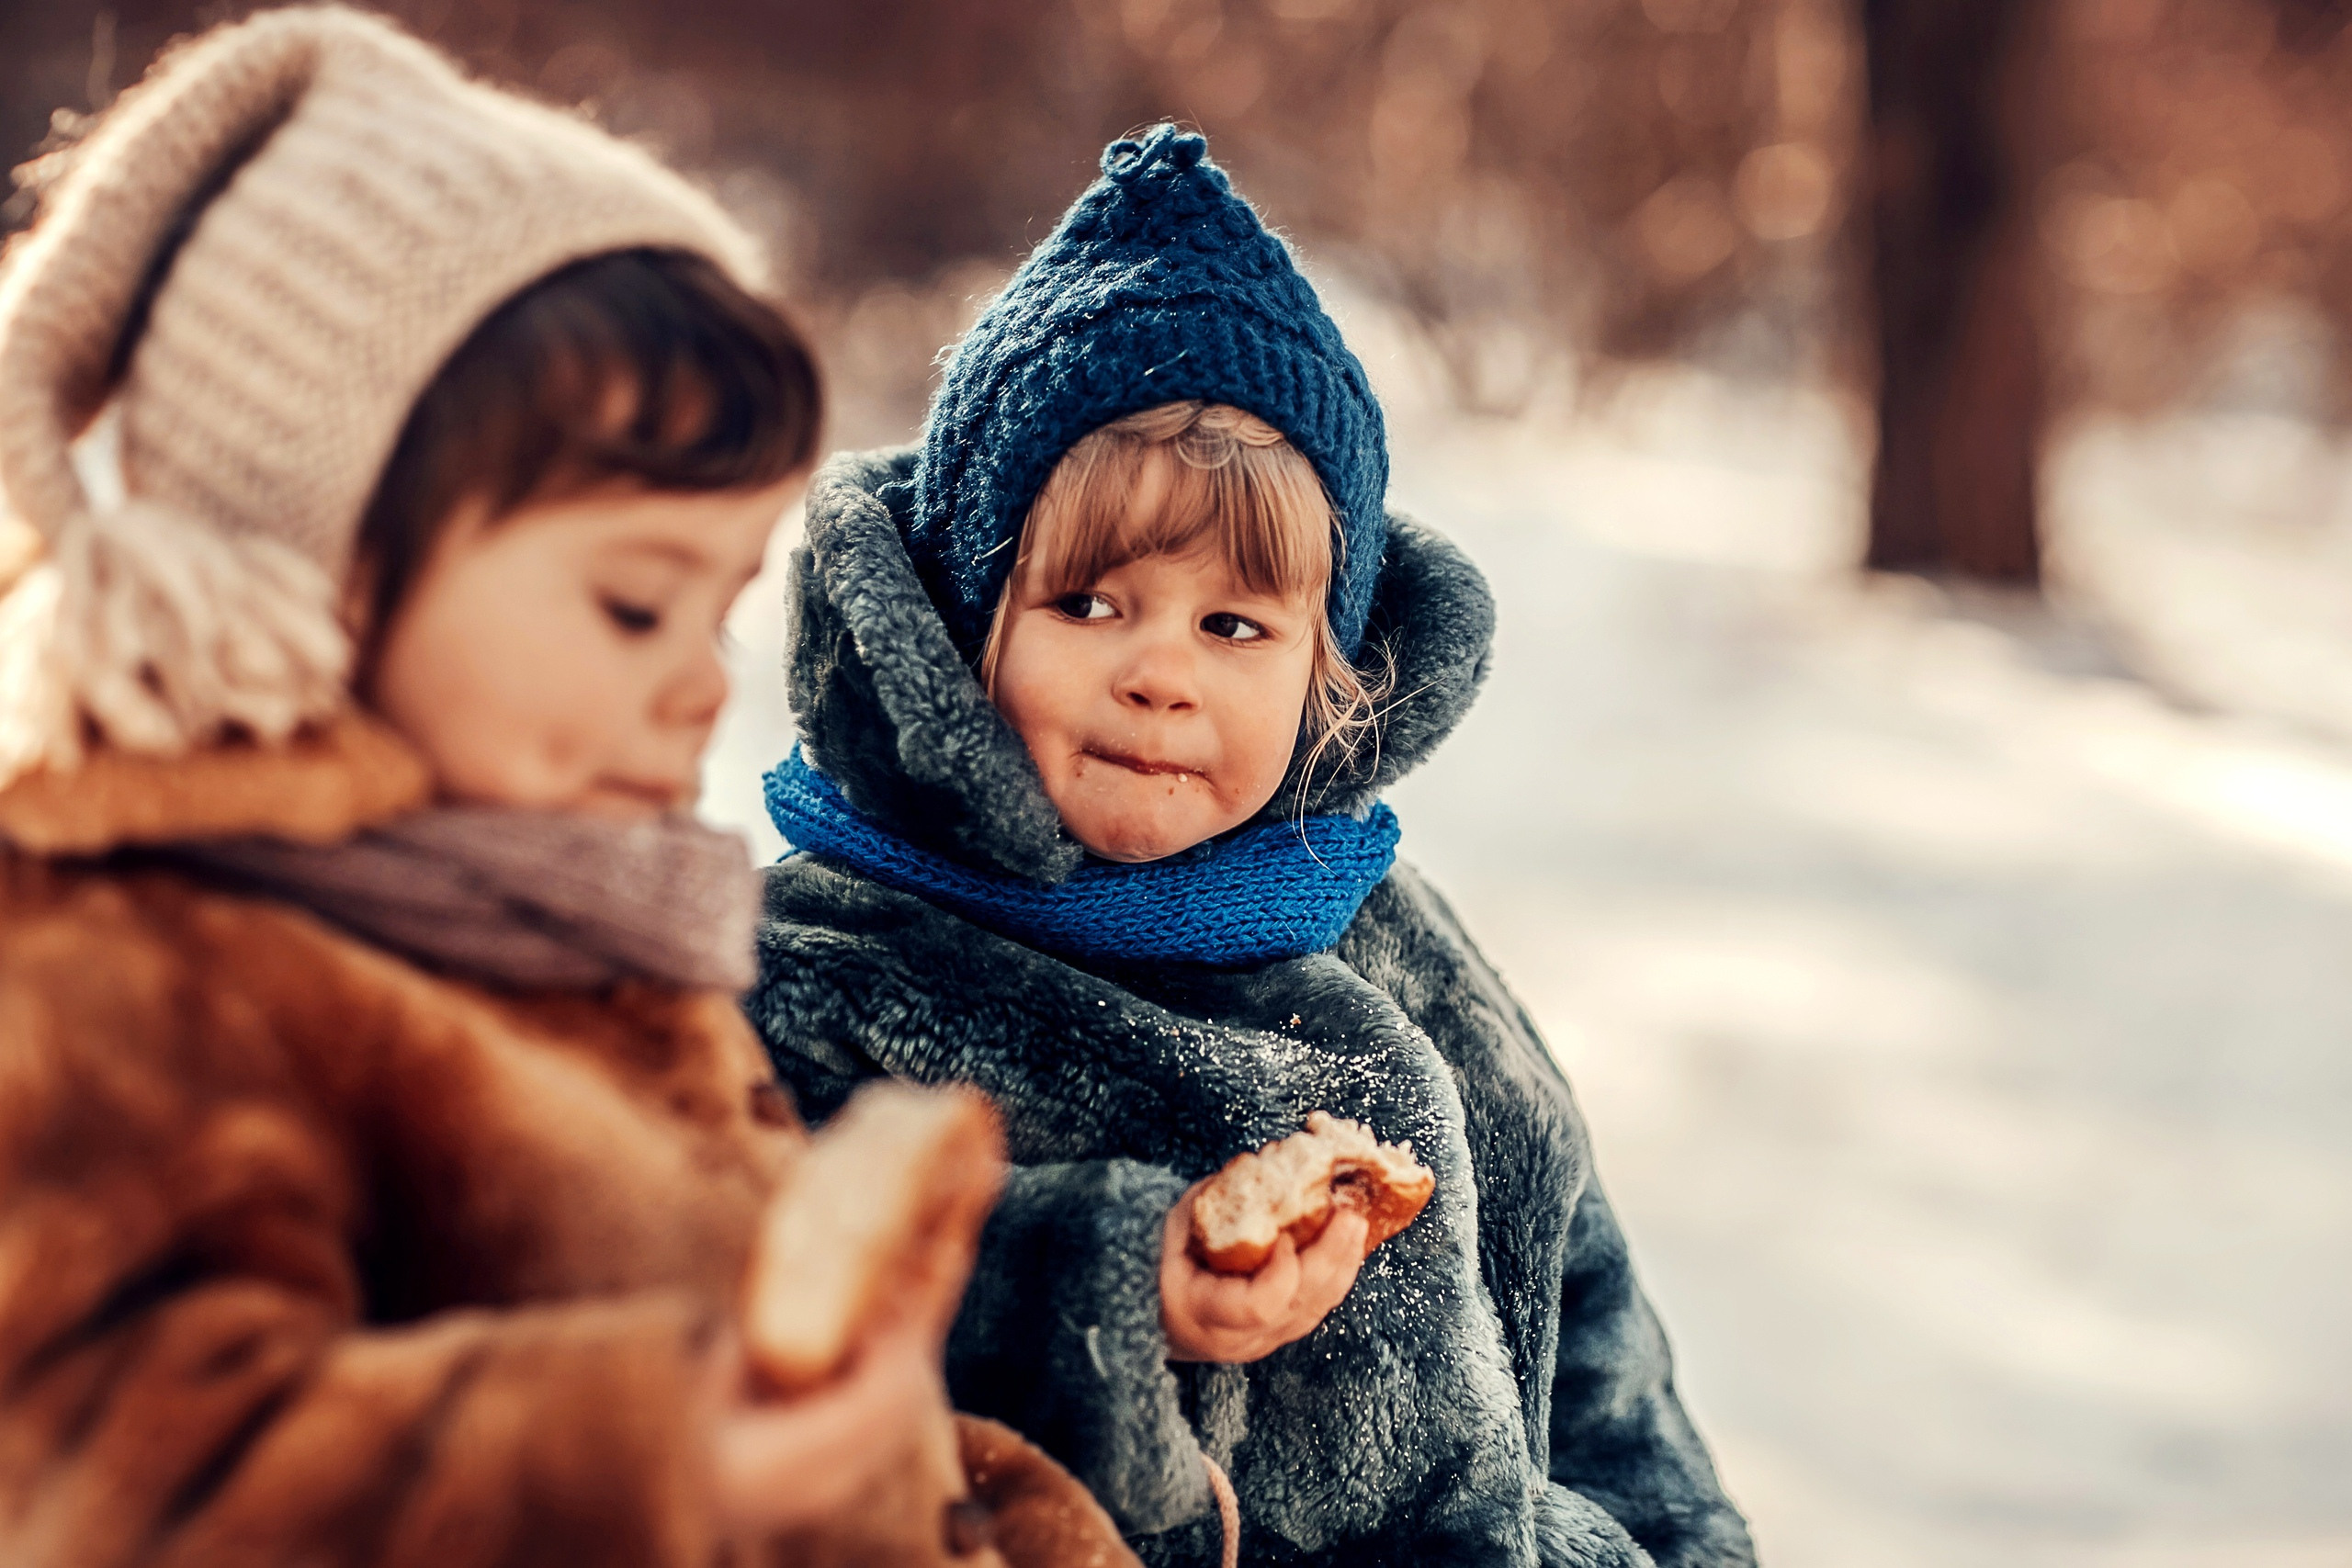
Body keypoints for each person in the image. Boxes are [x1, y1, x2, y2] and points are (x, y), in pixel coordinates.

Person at [0, 11, 1130, 1565]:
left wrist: (1006, 1514)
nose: (701, 679)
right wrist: (661, 1452)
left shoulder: (562, 936)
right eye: (629, 604)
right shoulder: (140, 971)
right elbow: (114, 1483)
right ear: (319, 573)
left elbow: (775, 1400)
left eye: (721, 606)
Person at [747, 126, 1758, 1567]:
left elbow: (1582, 1308)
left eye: (1235, 626)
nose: (1164, 675)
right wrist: (1102, 1281)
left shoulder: (1387, 932)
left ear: (1324, 679)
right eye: (1092, 605)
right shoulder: (828, 960)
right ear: (970, 632)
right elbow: (733, 1304)